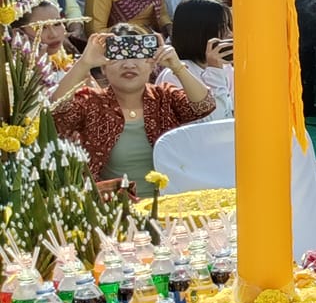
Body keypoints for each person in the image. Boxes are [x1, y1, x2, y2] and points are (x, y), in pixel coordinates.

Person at [52, 24, 217, 183]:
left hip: (168, 199)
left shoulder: (165, 97)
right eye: (119, 57)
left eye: (137, 56)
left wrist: (177, 66)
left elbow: (204, 106)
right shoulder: (92, 103)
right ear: (103, 68)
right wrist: (84, 63)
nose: (129, 65)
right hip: (114, 200)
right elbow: (56, 111)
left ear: (152, 64)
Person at [165, 0, 235, 119]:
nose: (230, 34)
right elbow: (212, 120)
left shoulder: (226, 68)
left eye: (229, 27)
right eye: (222, 27)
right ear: (199, 32)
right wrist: (215, 71)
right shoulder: (174, 74)